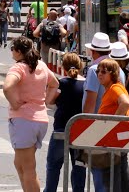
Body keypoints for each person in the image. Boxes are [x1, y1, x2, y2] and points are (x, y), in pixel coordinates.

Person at [2, 37, 58, 192]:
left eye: (12, 49)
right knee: (19, 163)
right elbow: (55, 84)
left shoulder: (18, 68)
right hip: (40, 120)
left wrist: (14, 103)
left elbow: (7, 87)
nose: (11, 52)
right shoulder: (41, 65)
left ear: (18, 51)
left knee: (28, 168)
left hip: (24, 120)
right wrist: (45, 102)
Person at [44, 52, 87, 192]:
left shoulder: (61, 83)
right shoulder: (86, 84)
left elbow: (48, 101)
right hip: (80, 131)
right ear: (80, 66)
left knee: (53, 166)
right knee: (79, 167)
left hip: (61, 129)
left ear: (63, 66)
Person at [93, 57, 129, 192]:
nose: (99, 74)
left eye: (103, 71)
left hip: (113, 140)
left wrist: (113, 125)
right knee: (122, 179)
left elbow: (127, 103)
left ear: (112, 73)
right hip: (118, 139)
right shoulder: (115, 88)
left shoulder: (114, 88)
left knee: (112, 180)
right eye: (98, 71)